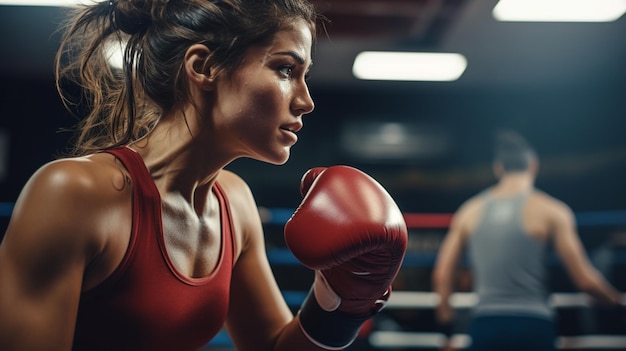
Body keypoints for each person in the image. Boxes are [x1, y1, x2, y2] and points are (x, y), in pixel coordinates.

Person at [0, 1, 408, 350]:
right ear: (205, 66)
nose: (306, 101)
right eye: (285, 69)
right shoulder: (74, 194)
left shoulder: (235, 203)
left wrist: (341, 301)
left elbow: (271, 346)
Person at [432, 130, 622, 351]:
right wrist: (616, 302)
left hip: (486, 323)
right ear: (533, 165)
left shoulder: (468, 212)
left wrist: (446, 331)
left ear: (498, 168)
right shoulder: (552, 211)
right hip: (534, 324)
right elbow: (586, 281)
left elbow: (441, 275)